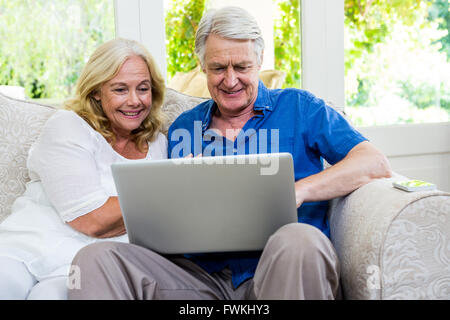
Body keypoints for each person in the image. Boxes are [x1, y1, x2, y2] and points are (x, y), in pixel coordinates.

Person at [68, 7, 392, 300]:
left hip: (279, 269)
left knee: (300, 239)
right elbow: (164, 219)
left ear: (259, 62)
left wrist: (299, 190)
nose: (231, 80)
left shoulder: (300, 108)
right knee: (96, 259)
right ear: (202, 67)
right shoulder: (183, 127)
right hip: (198, 279)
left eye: (242, 66)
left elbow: (373, 161)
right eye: (218, 68)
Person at [0, 38, 168, 299]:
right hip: (27, 250)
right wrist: (165, 188)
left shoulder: (158, 143)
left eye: (143, 88)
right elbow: (91, 220)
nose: (135, 101)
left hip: (83, 267)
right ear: (96, 91)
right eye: (120, 89)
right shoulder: (69, 126)